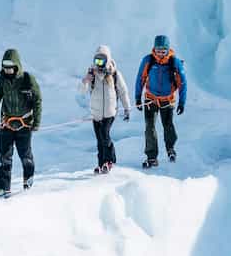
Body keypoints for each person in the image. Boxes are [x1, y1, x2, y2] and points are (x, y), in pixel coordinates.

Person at [0, 47, 42, 196]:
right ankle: (3, 188)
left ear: (16, 66)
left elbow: (37, 100)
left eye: (10, 68)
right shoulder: (2, 80)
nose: (7, 71)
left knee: (25, 155)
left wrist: (36, 122)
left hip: (24, 124)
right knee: (5, 156)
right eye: (5, 68)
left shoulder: (27, 79)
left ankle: (28, 180)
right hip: (7, 124)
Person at [134, 34, 187, 168]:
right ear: (154, 49)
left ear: (168, 49)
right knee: (149, 128)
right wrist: (137, 97)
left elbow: (183, 83)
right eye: (158, 50)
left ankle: (170, 148)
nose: (161, 53)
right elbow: (140, 78)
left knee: (168, 125)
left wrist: (182, 102)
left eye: (163, 50)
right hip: (150, 99)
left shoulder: (174, 62)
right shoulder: (148, 60)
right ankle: (152, 156)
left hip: (167, 100)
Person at [79, 44, 132, 173]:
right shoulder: (92, 74)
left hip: (109, 112)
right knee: (99, 140)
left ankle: (109, 160)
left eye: (101, 60)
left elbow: (123, 91)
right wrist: (85, 80)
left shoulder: (114, 74)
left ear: (107, 59)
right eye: (97, 60)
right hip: (96, 113)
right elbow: (81, 91)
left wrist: (127, 108)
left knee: (104, 135)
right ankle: (101, 163)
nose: (99, 63)